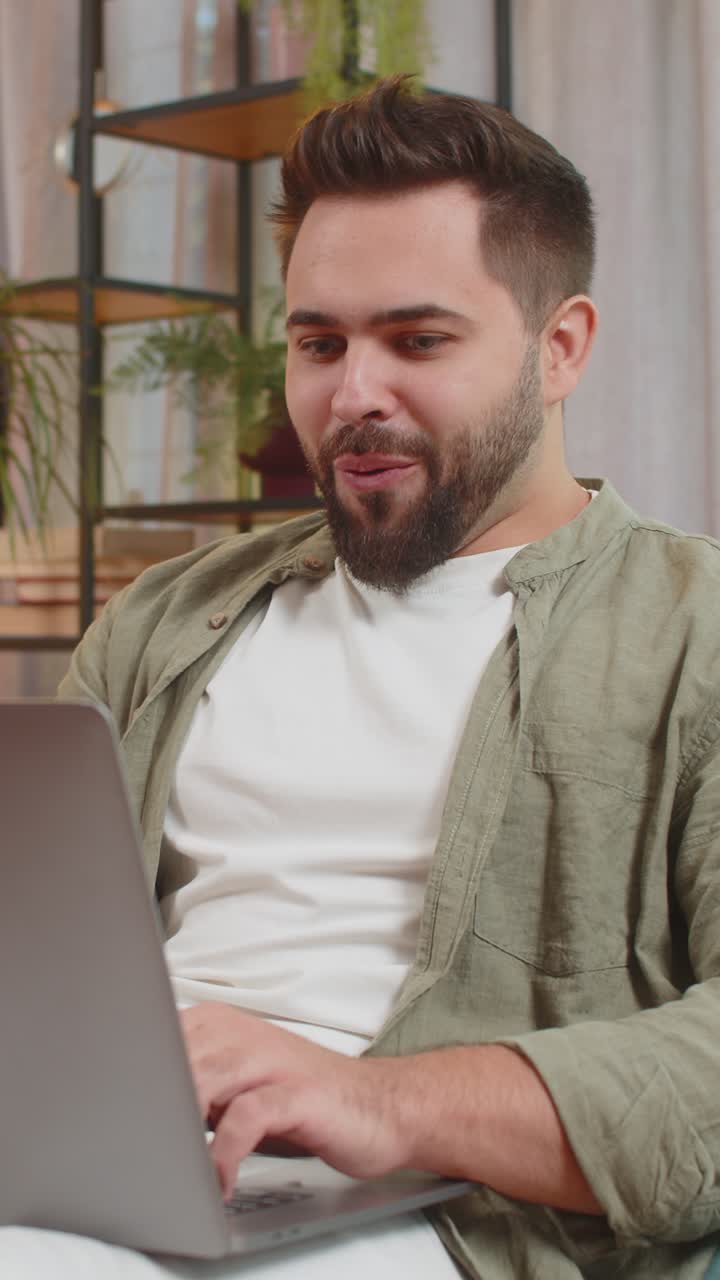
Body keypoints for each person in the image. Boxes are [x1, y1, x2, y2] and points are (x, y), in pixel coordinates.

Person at [4, 75, 720, 1280]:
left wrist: (376, 1100)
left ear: (560, 348)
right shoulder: (167, 619)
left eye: (418, 340)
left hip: (444, 1216)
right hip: (112, 1163)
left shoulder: (693, 631)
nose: (352, 397)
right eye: (319, 343)